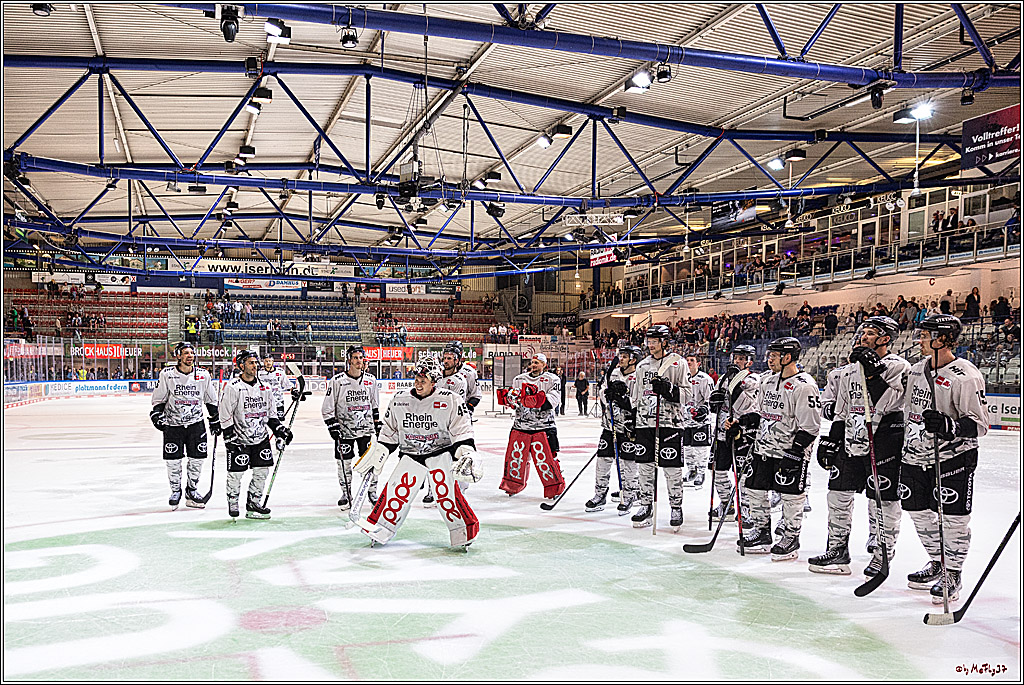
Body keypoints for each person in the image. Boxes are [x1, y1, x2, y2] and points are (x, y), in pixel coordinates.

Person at [809, 317, 910, 577]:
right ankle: (838, 550)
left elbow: (889, 400)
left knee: (882, 499)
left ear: (885, 338)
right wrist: (831, 438)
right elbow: (842, 408)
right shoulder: (850, 369)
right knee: (837, 494)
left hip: (885, 438)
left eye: (871, 333)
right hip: (851, 439)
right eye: (863, 332)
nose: (864, 336)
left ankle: (882, 552)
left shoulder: (898, 366)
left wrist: (874, 371)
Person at [901, 315, 988, 603]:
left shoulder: (966, 375)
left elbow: (980, 423)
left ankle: (953, 572)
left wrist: (950, 426)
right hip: (915, 455)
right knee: (918, 511)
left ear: (942, 338)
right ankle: (938, 560)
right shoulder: (915, 371)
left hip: (954, 458)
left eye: (925, 335)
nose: (920, 339)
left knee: (953, 519)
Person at [354, 355, 479, 548]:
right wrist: (380, 453)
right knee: (397, 491)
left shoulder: (450, 400)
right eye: (416, 380)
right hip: (411, 453)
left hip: (440, 453)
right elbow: (390, 431)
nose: (418, 385)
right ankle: (380, 528)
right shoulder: (400, 399)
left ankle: (463, 532)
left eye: (423, 381)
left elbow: (461, 430)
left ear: (434, 381)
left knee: (445, 493)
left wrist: (467, 452)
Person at [739, 337, 819, 559]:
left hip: (788, 451)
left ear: (787, 357)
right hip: (763, 448)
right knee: (754, 488)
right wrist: (746, 421)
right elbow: (761, 412)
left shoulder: (805, 385)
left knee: (791, 495)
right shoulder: (767, 381)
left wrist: (796, 451)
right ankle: (762, 532)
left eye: (773, 356)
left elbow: (811, 425)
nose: (769, 359)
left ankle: (791, 537)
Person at [629, 325, 691, 529]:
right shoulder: (642, 366)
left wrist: (668, 389)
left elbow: (687, 395)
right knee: (645, 468)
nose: (650, 345)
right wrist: (633, 419)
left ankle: (676, 506)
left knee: (672, 469)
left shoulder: (678, 363)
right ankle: (646, 505)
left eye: (655, 341)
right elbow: (637, 397)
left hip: (670, 424)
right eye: (649, 341)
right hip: (645, 424)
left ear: (665, 342)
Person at [220, 350, 294, 520]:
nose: (255, 366)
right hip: (239, 439)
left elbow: (271, 415)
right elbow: (225, 414)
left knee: (261, 472)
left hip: (260, 438)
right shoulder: (233, 387)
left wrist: (280, 430)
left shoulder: (265, 388)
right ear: (241, 365)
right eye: (251, 363)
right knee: (236, 473)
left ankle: (254, 502)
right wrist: (229, 437)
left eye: (256, 363)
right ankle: (233, 500)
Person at [149, 342, 220, 510]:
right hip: (173, 425)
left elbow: (210, 399)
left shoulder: (203, 375)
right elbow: (160, 398)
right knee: (173, 461)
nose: (190, 356)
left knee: (197, 459)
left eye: (191, 353)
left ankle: (192, 490)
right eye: (186, 353)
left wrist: (215, 418)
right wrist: (157, 414)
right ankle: (175, 491)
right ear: (178, 356)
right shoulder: (167, 375)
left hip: (196, 424)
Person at [498, 353, 565, 499]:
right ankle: (512, 486)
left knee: (547, 460)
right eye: (532, 362)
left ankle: (554, 488)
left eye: (537, 362)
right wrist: (509, 399)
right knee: (516, 457)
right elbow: (513, 399)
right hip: (520, 426)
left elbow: (551, 402)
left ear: (544, 365)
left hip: (544, 426)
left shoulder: (552, 379)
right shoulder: (519, 379)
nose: (533, 365)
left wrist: (531, 399)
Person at [322, 345, 380, 512]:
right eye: (355, 358)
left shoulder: (371, 380)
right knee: (344, 464)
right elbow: (327, 407)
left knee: (370, 462)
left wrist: (377, 423)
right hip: (345, 431)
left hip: (365, 430)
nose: (358, 361)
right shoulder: (338, 381)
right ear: (348, 360)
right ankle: (346, 493)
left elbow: (374, 405)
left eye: (361, 358)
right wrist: (332, 426)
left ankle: (371, 492)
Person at [707, 344, 760, 522]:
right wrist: (713, 403)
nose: (737, 361)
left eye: (742, 358)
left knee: (743, 474)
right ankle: (726, 504)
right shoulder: (723, 378)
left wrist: (735, 388)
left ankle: (745, 508)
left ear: (749, 362)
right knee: (719, 471)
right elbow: (717, 404)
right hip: (722, 433)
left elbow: (747, 407)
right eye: (736, 357)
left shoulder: (753, 380)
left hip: (741, 434)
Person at [589, 345, 643, 514]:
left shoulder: (638, 376)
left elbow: (638, 402)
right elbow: (603, 393)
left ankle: (628, 496)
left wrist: (621, 399)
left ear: (633, 359)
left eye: (625, 356)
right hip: (609, 425)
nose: (621, 359)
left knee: (628, 464)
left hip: (629, 429)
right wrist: (609, 396)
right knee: (602, 461)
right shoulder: (613, 373)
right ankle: (600, 494)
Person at [682, 353, 714, 489]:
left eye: (692, 360)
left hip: (700, 421)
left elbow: (710, 400)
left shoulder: (705, 379)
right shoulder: (681, 378)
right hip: (685, 420)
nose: (689, 362)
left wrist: (703, 411)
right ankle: (692, 470)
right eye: (687, 360)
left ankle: (701, 472)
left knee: (700, 449)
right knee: (687, 448)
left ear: (698, 364)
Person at [442, 341, 483, 416]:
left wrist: (468, 408)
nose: (446, 361)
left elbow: (476, 395)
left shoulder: (469, 372)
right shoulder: (439, 371)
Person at [259, 355, 296, 420]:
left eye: (270, 361)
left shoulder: (280, 372)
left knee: (279, 421)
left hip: (278, 401)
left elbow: (287, 384)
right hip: (264, 402)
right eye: (266, 361)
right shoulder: (259, 373)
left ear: (273, 361)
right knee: (264, 421)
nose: (268, 363)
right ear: (263, 362)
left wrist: (293, 390)